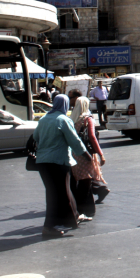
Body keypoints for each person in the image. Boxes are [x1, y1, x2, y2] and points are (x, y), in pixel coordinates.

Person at [32, 94, 90, 239]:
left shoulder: (44, 119)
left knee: (56, 192)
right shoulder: (63, 120)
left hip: (43, 163)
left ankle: (73, 217)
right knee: (58, 194)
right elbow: (74, 141)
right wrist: (86, 155)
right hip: (59, 162)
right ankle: (49, 226)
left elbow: (36, 137)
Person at [69, 94, 109, 216]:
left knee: (81, 181)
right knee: (85, 182)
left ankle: (88, 210)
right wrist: (101, 154)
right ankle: (82, 210)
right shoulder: (87, 119)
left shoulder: (72, 119)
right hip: (86, 154)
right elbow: (92, 137)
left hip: (75, 153)